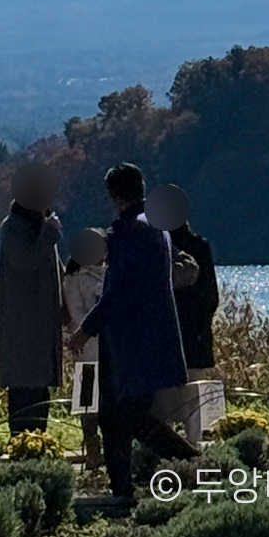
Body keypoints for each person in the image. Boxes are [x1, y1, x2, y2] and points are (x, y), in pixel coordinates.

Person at [69, 162, 198, 507]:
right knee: (123, 418)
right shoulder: (158, 228)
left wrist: (85, 329)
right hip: (153, 341)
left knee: (127, 418)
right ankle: (123, 491)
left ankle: (193, 466)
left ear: (114, 196)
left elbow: (119, 292)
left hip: (131, 345)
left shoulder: (129, 232)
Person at [0, 160, 64, 434]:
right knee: (23, 392)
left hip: (43, 328)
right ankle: (21, 447)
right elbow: (25, 262)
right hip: (22, 329)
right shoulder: (12, 227)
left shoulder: (44, 226)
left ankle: (39, 444)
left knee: (40, 392)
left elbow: (56, 271)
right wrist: (49, 234)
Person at [147, 184, 219, 373]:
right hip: (197, 343)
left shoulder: (153, 248)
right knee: (193, 398)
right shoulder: (200, 246)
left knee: (164, 400)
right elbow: (211, 297)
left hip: (161, 346)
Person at [62, 227, 107, 472]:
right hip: (87, 348)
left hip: (110, 350)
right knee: (89, 405)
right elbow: (75, 314)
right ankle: (92, 450)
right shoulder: (74, 278)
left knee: (110, 403)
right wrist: (94, 328)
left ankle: (110, 449)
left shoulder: (110, 273)